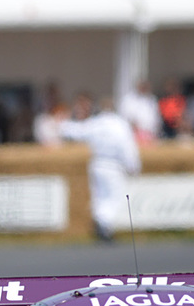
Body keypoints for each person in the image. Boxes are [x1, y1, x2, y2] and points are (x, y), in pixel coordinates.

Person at [59, 93, 140, 242]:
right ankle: (104, 226)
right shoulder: (119, 124)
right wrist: (134, 167)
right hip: (113, 165)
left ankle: (101, 222)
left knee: (99, 196)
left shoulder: (96, 123)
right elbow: (128, 148)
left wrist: (62, 126)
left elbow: (77, 131)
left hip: (97, 163)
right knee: (114, 196)